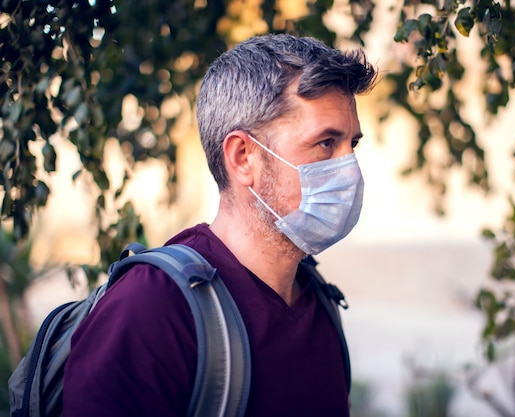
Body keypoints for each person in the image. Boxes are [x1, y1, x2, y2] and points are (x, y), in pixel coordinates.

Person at [63, 33, 377, 417]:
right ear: (243, 157)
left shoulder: (320, 302)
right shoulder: (150, 308)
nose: (350, 169)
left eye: (352, 145)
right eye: (327, 143)